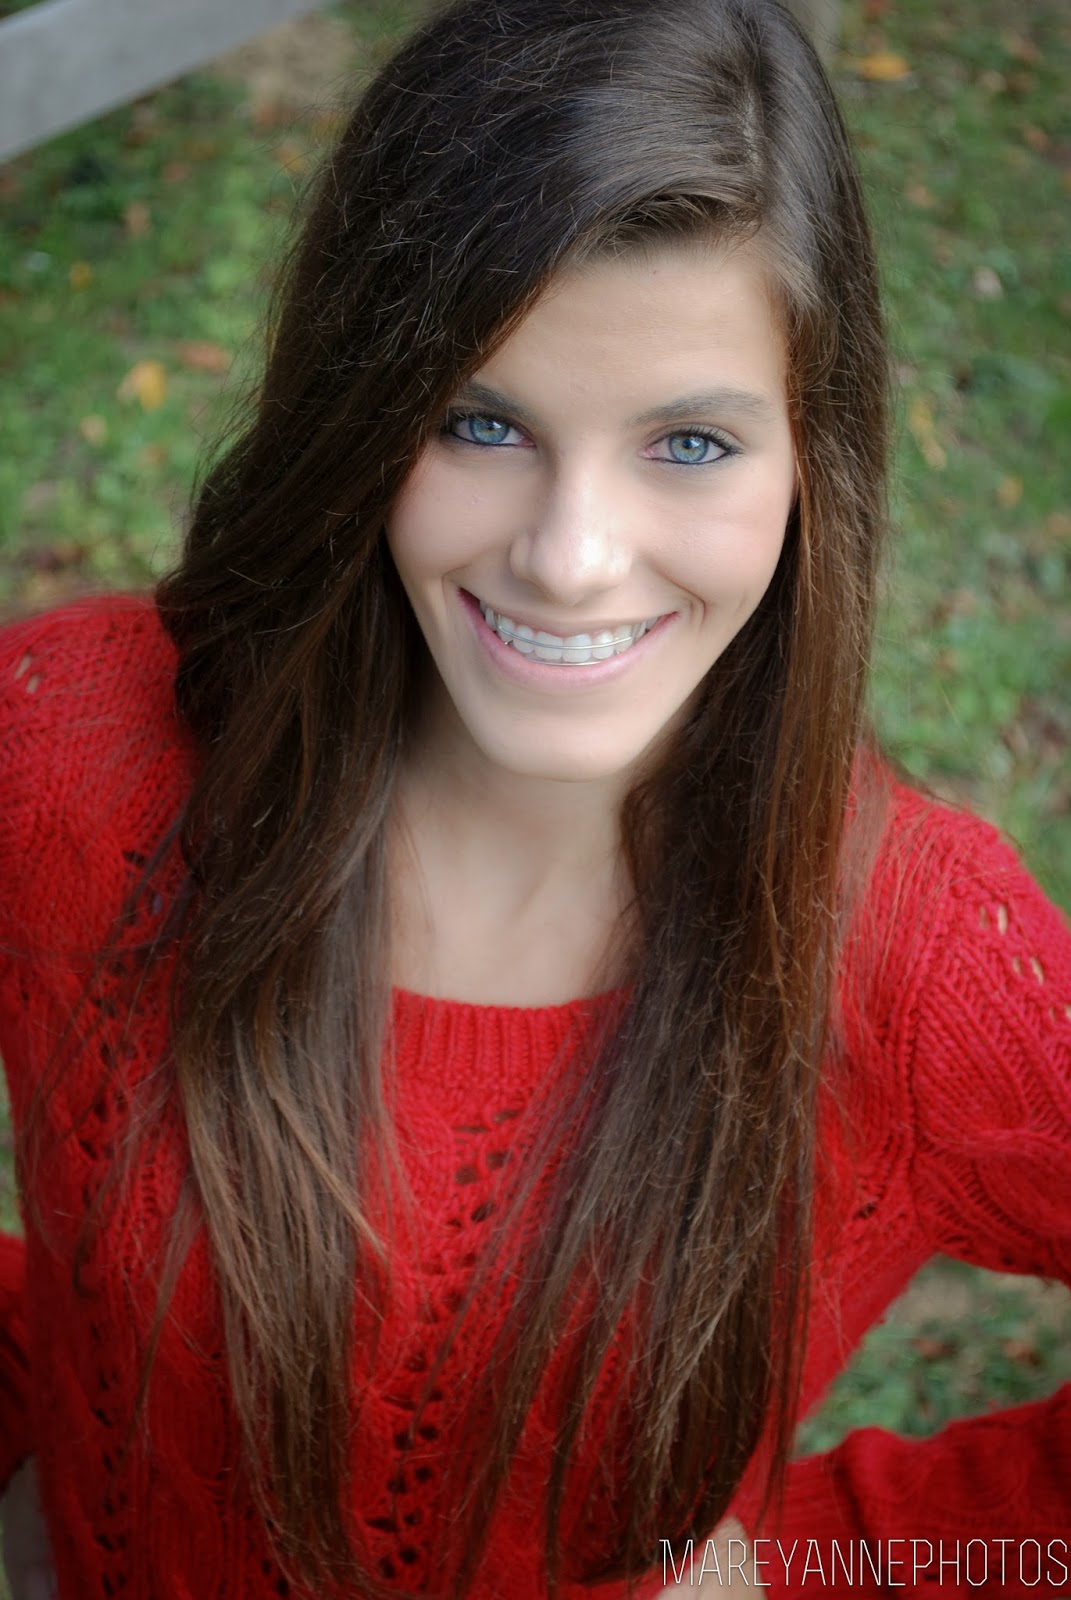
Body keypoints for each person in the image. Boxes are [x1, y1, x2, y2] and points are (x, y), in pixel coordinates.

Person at [1, 0, 1068, 1595]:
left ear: (810, 458)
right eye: (479, 421)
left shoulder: (911, 963)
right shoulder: (72, 753)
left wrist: (829, 1566)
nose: (570, 557)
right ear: (362, 412)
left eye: (688, 443)